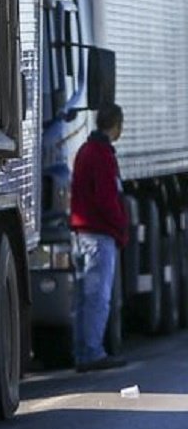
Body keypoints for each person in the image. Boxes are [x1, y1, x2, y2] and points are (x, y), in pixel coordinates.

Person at [70, 103, 129, 371]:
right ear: (114, 125)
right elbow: (107, 199)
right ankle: (93, 352)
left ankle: (83, 351)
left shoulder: (84, 151)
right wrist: (120, 226)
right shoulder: (102, 154)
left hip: (81, 234)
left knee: (84, 299)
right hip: (99, 235)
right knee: (99, 298)